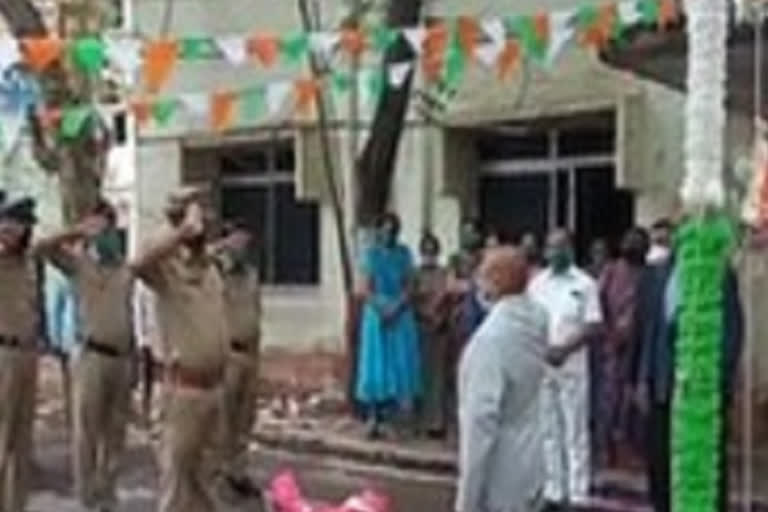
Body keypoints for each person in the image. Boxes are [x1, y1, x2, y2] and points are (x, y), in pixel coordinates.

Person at [129, 187, 228, 512]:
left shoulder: (212, 271)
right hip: (182, 392)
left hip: (214, 390)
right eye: (198, 216)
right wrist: (180, 229)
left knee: (207, 483)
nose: (205, 223)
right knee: (177, 486)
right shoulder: (167, 272)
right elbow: (138, 261)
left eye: (206, 216)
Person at [36, 200, 135, 512]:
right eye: (100, 227)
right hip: (91, 356)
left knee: (116, 431)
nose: (106, 233)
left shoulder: (125, 270)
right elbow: (41, 247)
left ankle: (108, 494)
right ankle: (87, 497)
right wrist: (76, 230)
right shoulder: (79, 265)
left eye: (110, 226)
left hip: (121, 358)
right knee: (87, 430)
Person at [633, 235, 743, 512]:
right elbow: (645, 330)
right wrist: (639, 378)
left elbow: (732, 331)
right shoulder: (655, 276)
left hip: (700, 389)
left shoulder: (719, 274)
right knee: (660, 463)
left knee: (704, 462)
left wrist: (720, 380)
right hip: (660, 384)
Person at [455, 247, 548, 512]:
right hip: (533, 462)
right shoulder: (537, 319)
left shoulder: (490, 341)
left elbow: (480, 427)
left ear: (494, 283)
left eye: (482, 275)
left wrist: (467, 502)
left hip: (500, 475)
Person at [528, 229, 603, 508]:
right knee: (548, 430)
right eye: (550, 247)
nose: (554, 252)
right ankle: (553, 490)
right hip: (543, 365)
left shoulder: (585, 284)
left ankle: (578, 493)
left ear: (570, 249)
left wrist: (565, 349)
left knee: (575, 430)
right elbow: (530, 321)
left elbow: (594, 325)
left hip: (572, 365)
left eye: (560, 247)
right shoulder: (537, 284)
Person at [356, 212, 422, 439]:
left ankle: (395, 420)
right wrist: (381, 307)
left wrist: (397, 306)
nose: (389, 235)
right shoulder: (370, 255)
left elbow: (410, 285)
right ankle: (373, 418)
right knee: (377, 366)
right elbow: (365, 288)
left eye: (393, 230)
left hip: (400, 312)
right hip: (376, 315)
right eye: (384, 230)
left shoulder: (404, 254)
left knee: (399, 365)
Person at [211, 220, 262, 498]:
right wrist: (221, 248)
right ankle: (219, 476)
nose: (243, 247)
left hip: (249, 352)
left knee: (245, 419)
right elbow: (191, 259)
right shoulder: (216, 274)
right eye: (238, 242)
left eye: (246, 242)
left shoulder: (252, 275)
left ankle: (238, 472)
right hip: (227, 353)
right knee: (225, 420)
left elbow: (257, 311)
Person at [594, 227, 649, 469]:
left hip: (640, 347)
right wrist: (610, 333)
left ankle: (635, 451)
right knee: (610, 399)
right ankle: (607, 450)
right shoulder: (611, 271)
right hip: (612, 346)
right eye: (629, 240)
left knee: (636, 401)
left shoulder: (650, 275)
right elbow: (597, 304)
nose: (631, 245)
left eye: (637, 242)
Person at [0, 197, 41, 512]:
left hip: (28, 354)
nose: (23, 232)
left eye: (26, 226)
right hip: (3, 354)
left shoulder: (28, 263)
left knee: (22, 444)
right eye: (18, 224)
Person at [413, 231, 451, 438]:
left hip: (440, 329)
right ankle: (419, 422)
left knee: (439, 377)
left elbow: (448, 297)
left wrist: (439, 316)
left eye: (432, 251)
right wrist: (424, 313)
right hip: (420, 327)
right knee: (421, 376)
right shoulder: (415, 274)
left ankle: (437, 423)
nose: (429, 255)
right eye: (425, 251)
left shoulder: (444, 273)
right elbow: (411, 299)